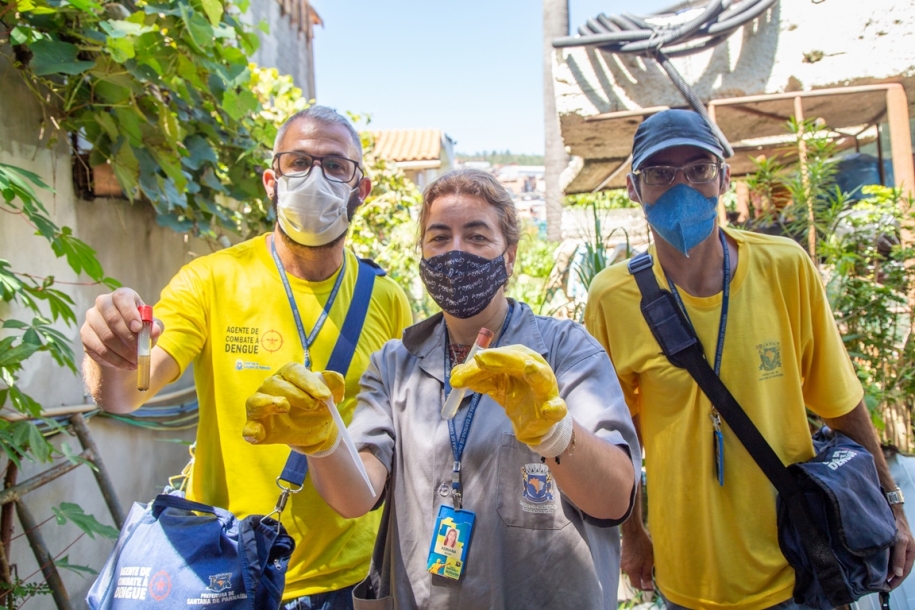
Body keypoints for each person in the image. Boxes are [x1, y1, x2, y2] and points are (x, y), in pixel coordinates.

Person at [243, 169, 640, 609]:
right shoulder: (394, 365)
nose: (456, 252)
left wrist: (557, 434)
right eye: (438, 237)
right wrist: (323, 443)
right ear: (422, 255)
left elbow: (615, 499)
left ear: (509, 257)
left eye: (476, 237)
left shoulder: (565, 352)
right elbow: (356, 497)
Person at [80, 106, 413, 609]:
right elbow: (129, 390)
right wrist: (115, 351)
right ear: (271, 181)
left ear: (359, 190)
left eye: (336, 165)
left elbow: (398, 435)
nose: (315, 177)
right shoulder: (211, 280)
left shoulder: (387, 299)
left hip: (345, 577)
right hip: (223, 568)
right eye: (297, 162)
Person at [583, 108, 915, 609]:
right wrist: (634, 536)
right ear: (634, 188)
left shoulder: (784, 268)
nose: (682, 187)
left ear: (723, 176)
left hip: (802, 563)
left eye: (698, 168)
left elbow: (841, 402)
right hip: (688, 576)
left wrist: (892, 503)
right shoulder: (612, 297)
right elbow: (616, 440)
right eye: (659, 174)